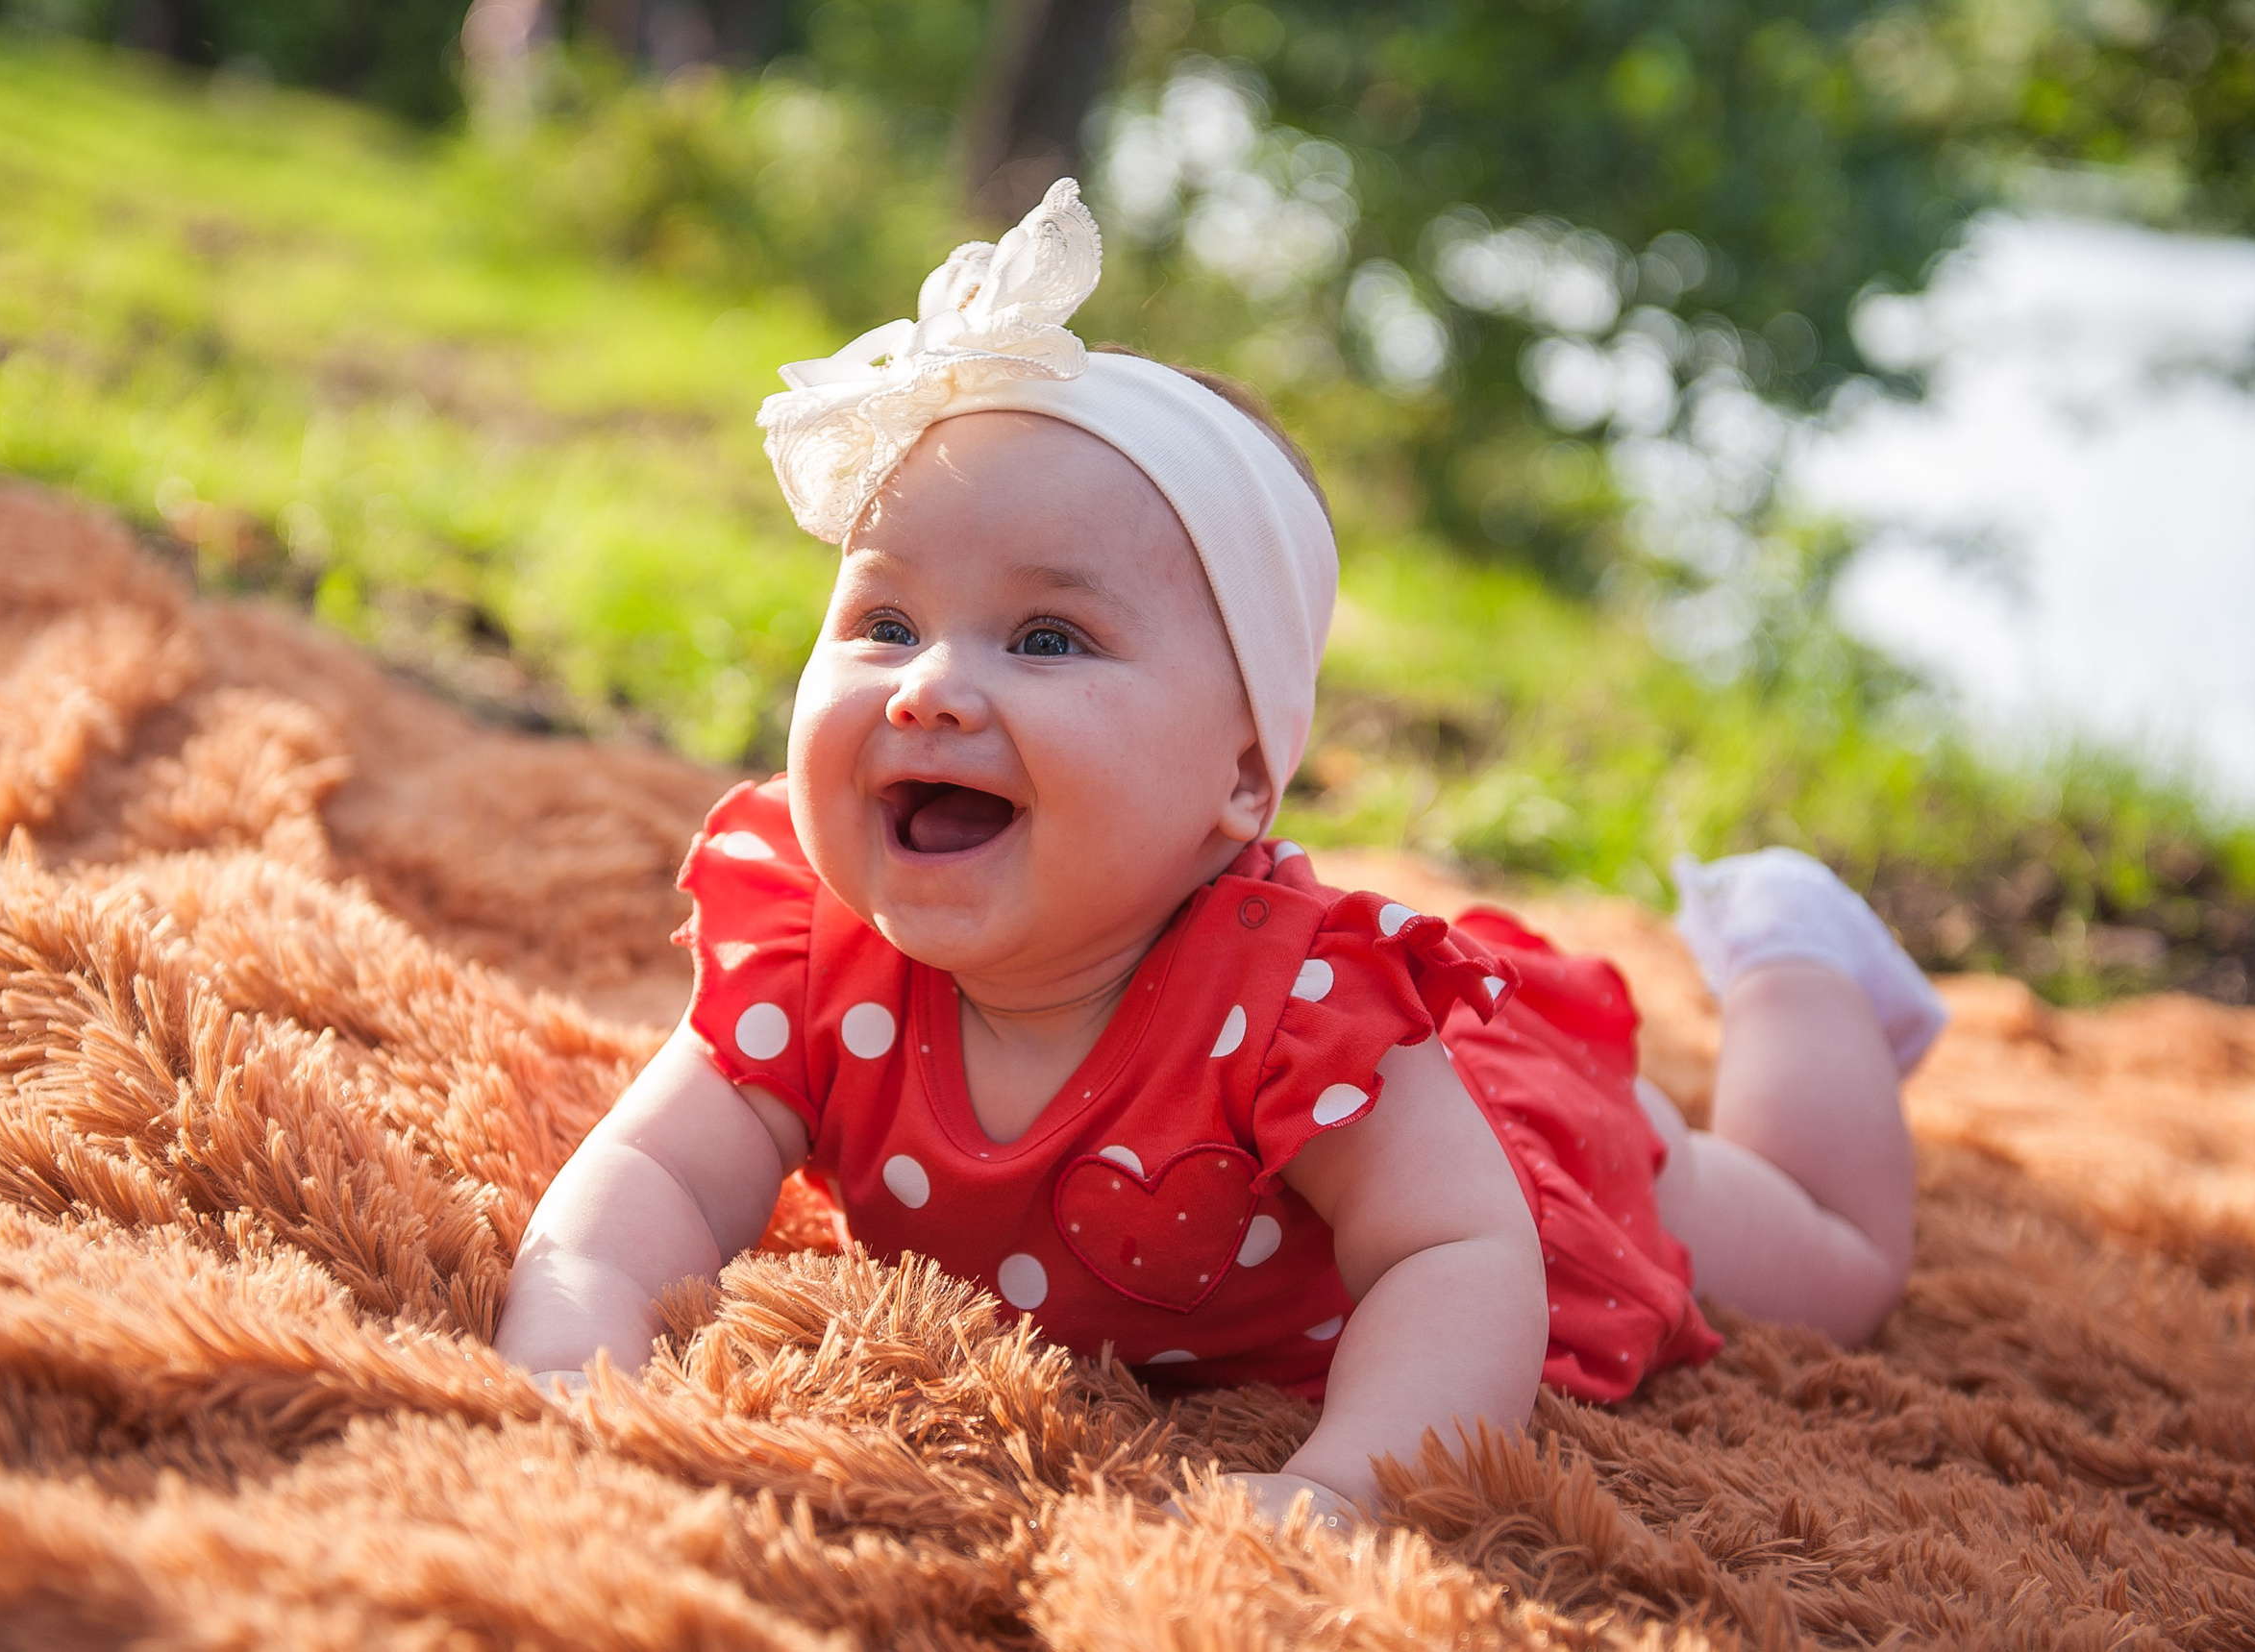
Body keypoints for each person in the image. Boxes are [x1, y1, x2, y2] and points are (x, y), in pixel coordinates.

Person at [493, 181, 1946, 1531]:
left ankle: (1794, 961)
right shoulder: (814, 956)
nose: (929, 685)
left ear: (1244, 775)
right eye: (881, 623)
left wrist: (1344, 1490)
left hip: (1509, 1151)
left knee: (1831, 1267)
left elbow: (1453, 1258)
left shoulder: (1301, 1012)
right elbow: (655, 1183)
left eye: (1049, 638)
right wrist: (571, 1348)